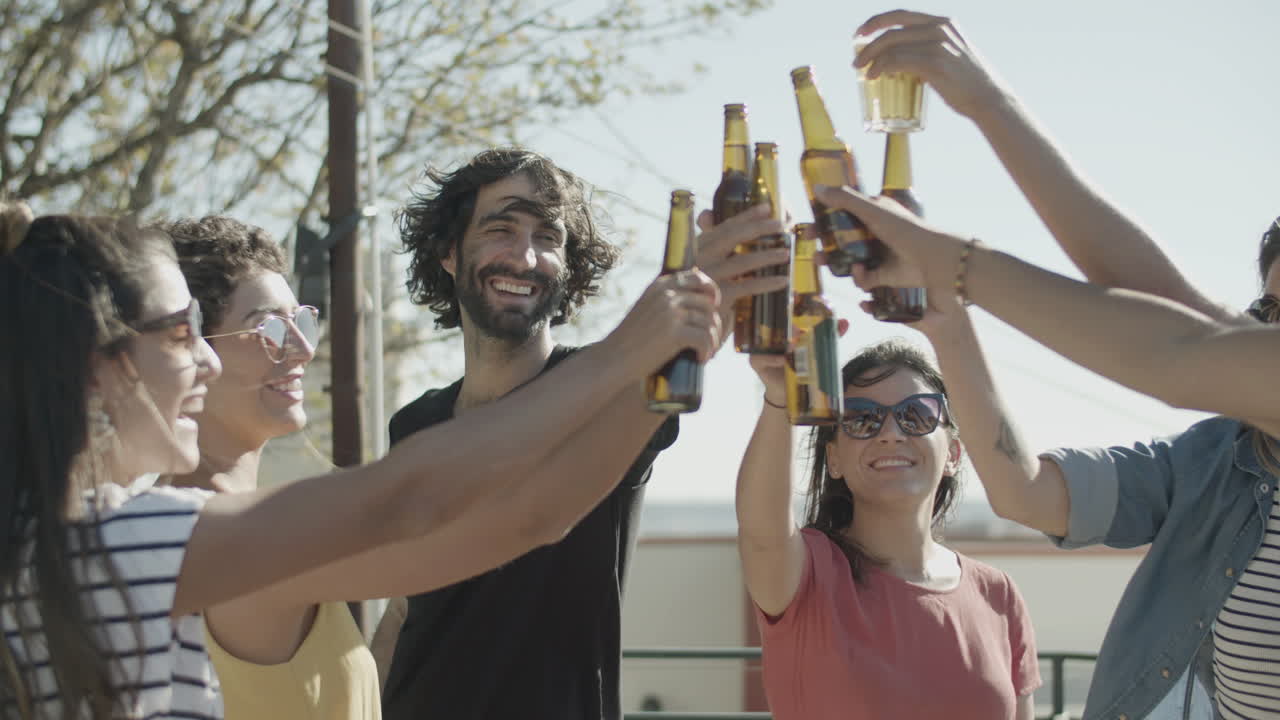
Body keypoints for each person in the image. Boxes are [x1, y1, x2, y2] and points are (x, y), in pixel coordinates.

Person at [0, 200, 723, 718]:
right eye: (182, 334)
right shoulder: (126, 541)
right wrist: (634, 351)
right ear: (99, 365)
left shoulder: (70, 537)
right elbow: (446, 505)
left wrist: (661, 357)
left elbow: (530, 515)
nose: (208, 365)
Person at [839, 12, 1280, 718]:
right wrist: (948, 323)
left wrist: (949, 263)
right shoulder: (1214, 463)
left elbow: (1173, 352)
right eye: (1270, 317)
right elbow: (1025, 491)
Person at [373, 147, 789, 720]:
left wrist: (723, 281)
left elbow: (674, 347)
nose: (525, 257)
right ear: (449, 250)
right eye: (501, 228)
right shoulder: (414, 424)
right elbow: (404, 607)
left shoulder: (611, 385)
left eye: (549, 237)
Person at [736, 339, 1040, 720]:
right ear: (834, 459)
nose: (891, 432)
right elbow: (761, 531)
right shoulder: (807, 574)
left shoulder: (999, 595)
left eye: (917, 414)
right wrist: (781, 397)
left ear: (953, 455)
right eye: (862, 418)